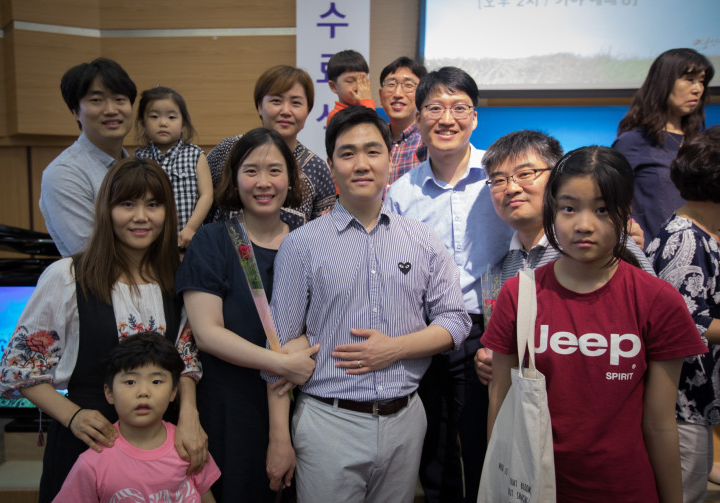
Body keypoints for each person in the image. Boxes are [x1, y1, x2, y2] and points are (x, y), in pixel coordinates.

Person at [264, 106, 471, 503]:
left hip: (406, 420)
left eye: (373, 151)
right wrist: (279, 437)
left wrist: (395, 348)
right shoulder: (301, 244)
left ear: (390, 159)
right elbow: (279, 351)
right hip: (328, 420)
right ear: (331, 165)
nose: (361, 164)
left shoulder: (422, 239)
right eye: (347, 153)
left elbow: (455, 321)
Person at [482, 146, 707, 502]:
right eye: (569, 208)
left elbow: (660, 423)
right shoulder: (520, 293)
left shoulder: (658, 300)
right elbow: (500, 397)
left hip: (625, 488)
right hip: (535, 486)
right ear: (552, 210)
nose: (584, 225)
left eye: (602, 209)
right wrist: (498, 480)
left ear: (625, 213)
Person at [0, 158, 208, 503]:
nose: (141, 217)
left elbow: (186, 359)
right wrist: (74, 417)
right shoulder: (68, 276)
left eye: (153, 204)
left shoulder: (178, 276)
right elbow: (18, 369)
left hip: (161, 442)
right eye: (127, 204)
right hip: (88, 440)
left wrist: (189, 416)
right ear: (106, 210)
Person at [385, 66, 512, 503]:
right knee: (434, 451)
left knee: (486, 443)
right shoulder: (401, 193)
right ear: (419, 117)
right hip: (426, 333)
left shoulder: (501, 178)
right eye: (435, 108)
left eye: (459, 108)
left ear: (474, 117)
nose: (447, 118)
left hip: (488, 332)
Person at [177, 128, 320, 502]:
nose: (263, 182)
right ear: (234, 177)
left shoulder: (312, 239)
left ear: (291, 178)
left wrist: (298, 356)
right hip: (230, 409)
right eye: (251, 170)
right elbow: (207, 333)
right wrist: (282, 363)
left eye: (274, 170)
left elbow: (329, 318)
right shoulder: (211, 241)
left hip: (305, 405)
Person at [473, 130, 654, 386]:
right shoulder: (505, 264)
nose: (512, 188)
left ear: (558, 179)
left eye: (525, 174)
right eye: (499, 180)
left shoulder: (604, 245)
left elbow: (658, 329)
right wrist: (490, 359)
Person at [54, 332, 220, 502]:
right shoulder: (92, 462)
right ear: (109, 393)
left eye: (156, 381)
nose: (143, 392)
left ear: (173, 392)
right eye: (130, 382)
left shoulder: (189, 446)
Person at [646, 126, 720, 503]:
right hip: (681, 401)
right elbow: (685, 324)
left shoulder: (704, 232)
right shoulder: (685, 238)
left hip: (697, 401)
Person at [207, 65, 336, 228]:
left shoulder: (317, 169)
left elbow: (324, 231)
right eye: (276, 101)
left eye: (296, 103)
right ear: (260, 106)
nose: (286, 111)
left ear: (308, 111)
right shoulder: (228, 150)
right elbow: (201, 205)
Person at [613, 48, 714, 247]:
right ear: (663, 81)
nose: (697, 89)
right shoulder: (633, 142)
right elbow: (610, 203)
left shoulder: (702, 144)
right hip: (653, 257)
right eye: (689, 79)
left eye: (701, 81)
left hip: (704, 255)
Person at [40, 58, 137, 256]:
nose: (111, 110)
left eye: (119, 99)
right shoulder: (63, 174)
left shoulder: (136, 165)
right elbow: (93, 255)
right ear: (75, 111)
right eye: (96, 100)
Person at [135, 86, 213, 250]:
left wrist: (191, 227)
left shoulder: (195, 155)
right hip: (150, 245)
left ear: (183, 124)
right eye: (154, 116)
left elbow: (206, 195)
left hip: (188, 242)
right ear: (143, 124)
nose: (163, 123)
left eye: (171, 117)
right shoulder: (139, 157)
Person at [378, 56, 428, 196]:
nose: (397, 94)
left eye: (408, 85)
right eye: (391, 84)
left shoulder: (429, 142)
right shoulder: (374, 139)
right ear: (381, 96)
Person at [325, 49, 377, 125]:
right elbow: (369, 127)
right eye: (350, 81)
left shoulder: (365, 107)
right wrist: (367, 102)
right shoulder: (335, 116)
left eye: (362, 80)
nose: (357, 87)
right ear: (333, 87)